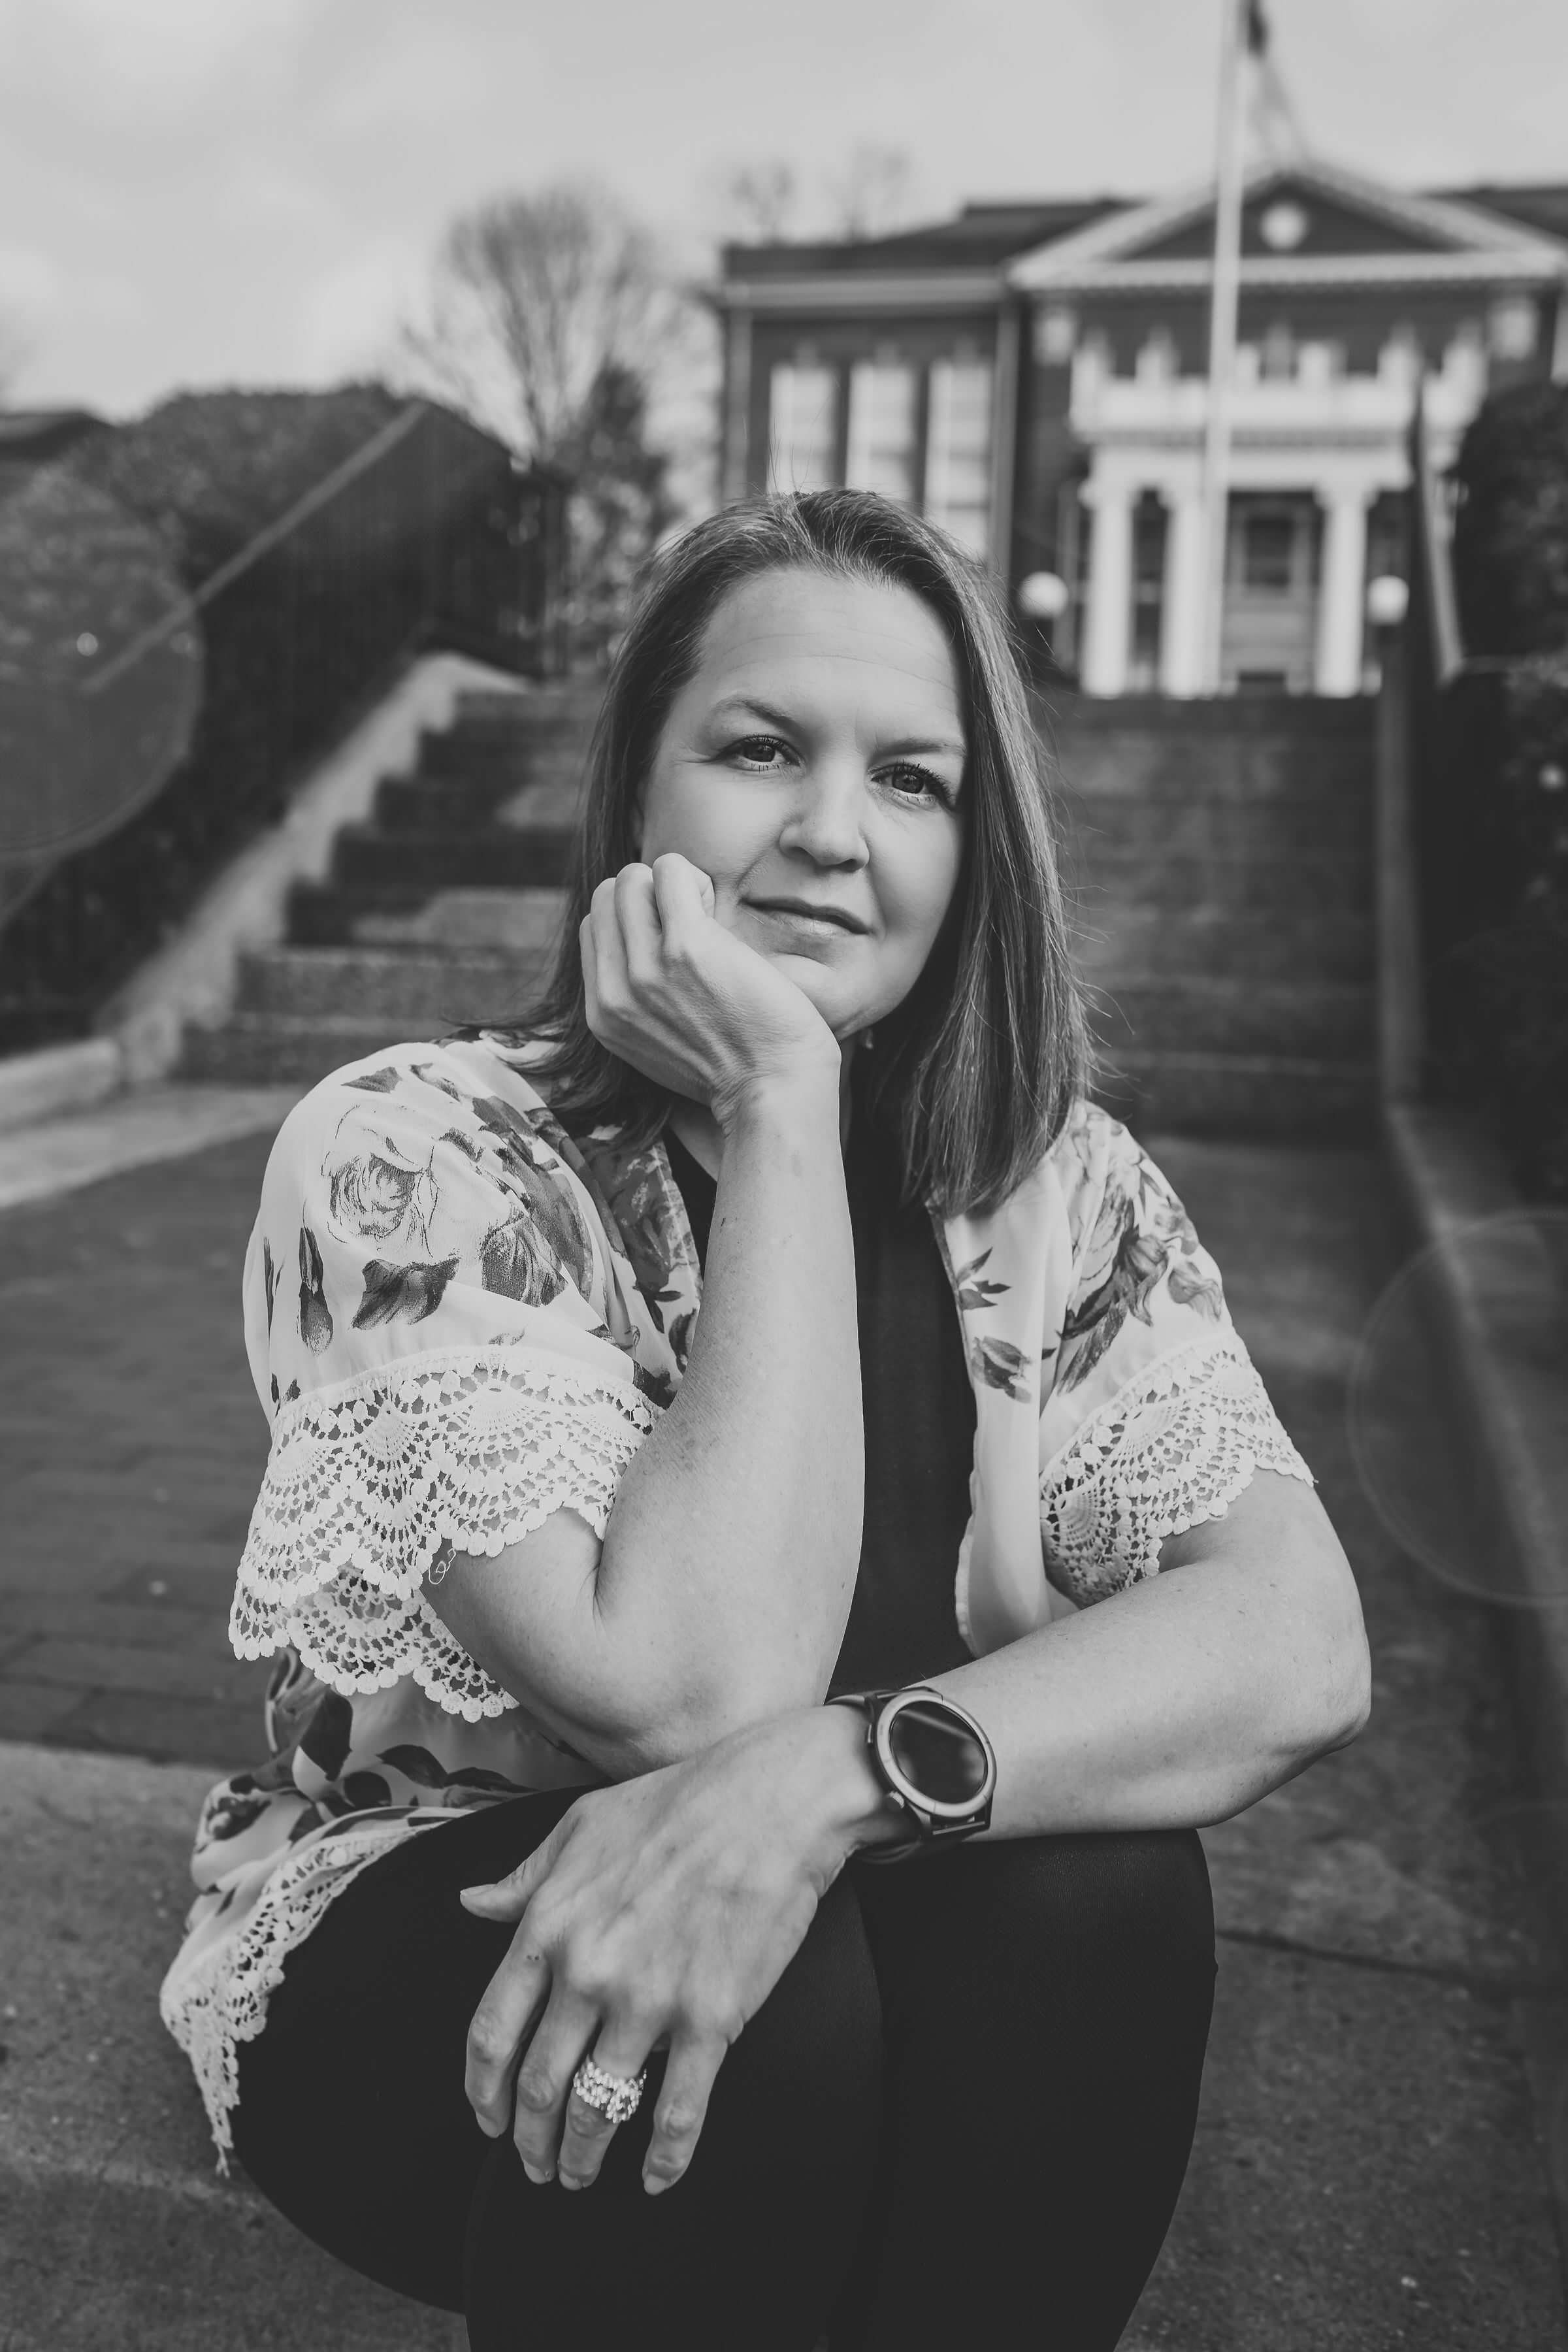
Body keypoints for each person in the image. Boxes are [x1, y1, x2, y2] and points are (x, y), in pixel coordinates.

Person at [161, 489, 1371, 2351]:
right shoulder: (420, 1150)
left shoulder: (1058, 1190)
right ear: (636, 793)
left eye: (912, 779)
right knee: (765, 2003)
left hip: (881, 1906)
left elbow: (1297, 1642)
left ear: (974, 844)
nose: (831, 831)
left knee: (1106, 1900)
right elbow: (685, 1700)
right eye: (758, 750)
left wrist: (838, 1782)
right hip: (454, 1922)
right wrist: (784, 1102)